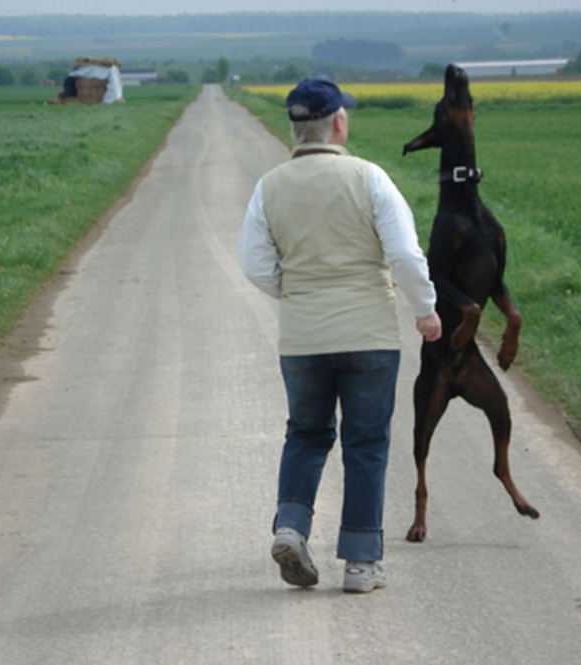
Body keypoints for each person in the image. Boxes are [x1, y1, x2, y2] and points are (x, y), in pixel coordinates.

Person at [238, 77, 442, 593]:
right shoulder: (370, 178)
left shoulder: (269, 187)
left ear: (296, 128)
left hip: (303, 339)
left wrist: (300, 293)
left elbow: (255, 265)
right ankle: (360, 562)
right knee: (366, 443)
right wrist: (426, 311)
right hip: (370, 335)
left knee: (306, 434)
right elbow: (403, 255)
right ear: (339, 123)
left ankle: (290, 527)